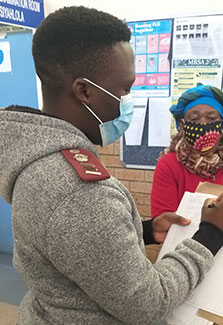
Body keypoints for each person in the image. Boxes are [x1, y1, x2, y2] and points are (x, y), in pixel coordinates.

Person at [0, 7, 222, 325]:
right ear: (85, 91)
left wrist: (140, 230)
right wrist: (211, 234)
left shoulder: (40, 161)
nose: (128, 100)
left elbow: (73, 247)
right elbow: (148, 303)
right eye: (125, 89)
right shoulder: (77, 188)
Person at [151, 85, 223, 222]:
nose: (203, 124)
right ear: (182, 126)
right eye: (195, 119)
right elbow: (163, 222)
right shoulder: (169, 165)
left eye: (212, 119)